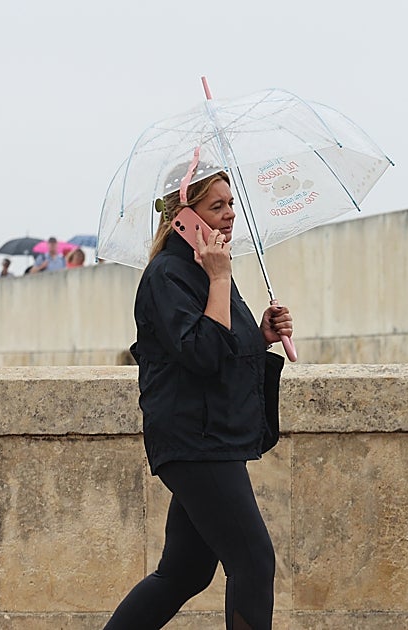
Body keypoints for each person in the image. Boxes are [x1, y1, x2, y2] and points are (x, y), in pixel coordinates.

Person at [103, 168, 292, 630]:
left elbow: (224, 341)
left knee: (184, 572)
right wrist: (221, 279)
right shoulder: (169, 274)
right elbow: (204, 354)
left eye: (231, 204)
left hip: (210, 434)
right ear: (183, 217)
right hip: (195, 439)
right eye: (216, 206)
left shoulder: (202, 267)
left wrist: (261, 335)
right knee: (253, 561)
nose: (230, 215)